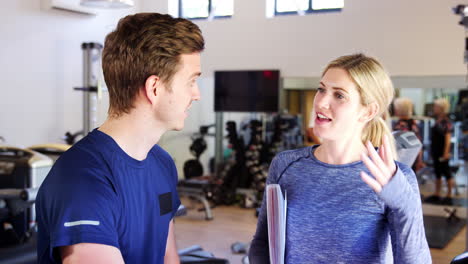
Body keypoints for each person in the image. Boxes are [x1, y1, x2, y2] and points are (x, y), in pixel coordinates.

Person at [35, 13, 204, 263]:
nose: (196, 94)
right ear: (154, 88)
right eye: (191, 81)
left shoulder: (162, 164)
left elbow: (168, 257)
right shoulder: (82, 182)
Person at [249, 54, 431, 263]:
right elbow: (262, 244)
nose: (321, 102)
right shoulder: (285, 165)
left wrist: (403, 204)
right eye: (321, 89)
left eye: (339, 95)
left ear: (368, 111)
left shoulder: (393, 177)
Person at [392, 97, 425, 172]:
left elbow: (397, 146)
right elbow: (418, 143)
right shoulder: (414, 123)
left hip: (403, 160)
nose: (394, 109)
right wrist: (420, 159)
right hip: (413, 157)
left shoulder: (401, 125)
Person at [430, 98, 454, 201]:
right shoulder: (437, 121)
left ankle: (449, 194)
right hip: (436, 150)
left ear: (441, 108)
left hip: (442, 151)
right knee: (438, 172)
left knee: (446, 172)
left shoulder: (446, 122)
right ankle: (437, 192)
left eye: (436, 106)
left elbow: (448, 139)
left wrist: (446, 153)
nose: (434, 108)